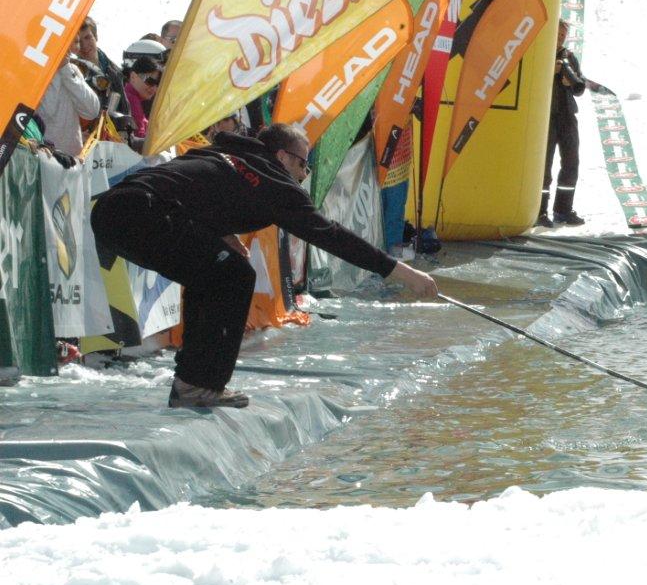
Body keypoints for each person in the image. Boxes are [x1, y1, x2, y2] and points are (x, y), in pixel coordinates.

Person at [90, 123, 438, 409]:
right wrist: (402, 272)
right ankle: (197, 384)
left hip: (111, 210)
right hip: (144, 211)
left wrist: (222, 234)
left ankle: (192, 382)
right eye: (303, 164)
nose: (304, 174)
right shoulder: (275, 182)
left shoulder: (227, 154)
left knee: (215, 274)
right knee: (234, 275)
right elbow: (331, 236)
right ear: (282, 156)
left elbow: (196, 188)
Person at [536, 20, 586, 228]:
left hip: (567, 115)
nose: (560, 39)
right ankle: (539, 211)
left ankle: (563, 210)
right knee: (543, 166)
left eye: (563, 36)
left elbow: (580, 86)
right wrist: (551, 72)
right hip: (546, 117)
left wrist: (569, 82)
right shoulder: (539, 54)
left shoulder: (569, 56)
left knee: (571, 163)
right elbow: (533, 82)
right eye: (557, 35)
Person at [35, 36, 100, 156]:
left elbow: (92, 110)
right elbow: (48, 111)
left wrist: (65, 69)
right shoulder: (33, 73)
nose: (72, 48)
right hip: (42, 157)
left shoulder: (71, 69)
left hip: (72, 160)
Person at [76, 17, 131, 120]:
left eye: (87, 37)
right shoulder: (75, 74)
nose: (84, 45)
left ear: (96, 36)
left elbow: (125, 106)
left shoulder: (114, 69)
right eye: (78, 41)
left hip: (119, 126)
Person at [123, 56, 161, 139]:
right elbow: (139, 136)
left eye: (158, 84)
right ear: (133, 77)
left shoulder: (130, 96)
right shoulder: (131, 99)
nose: (154, 88)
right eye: (150, 81)